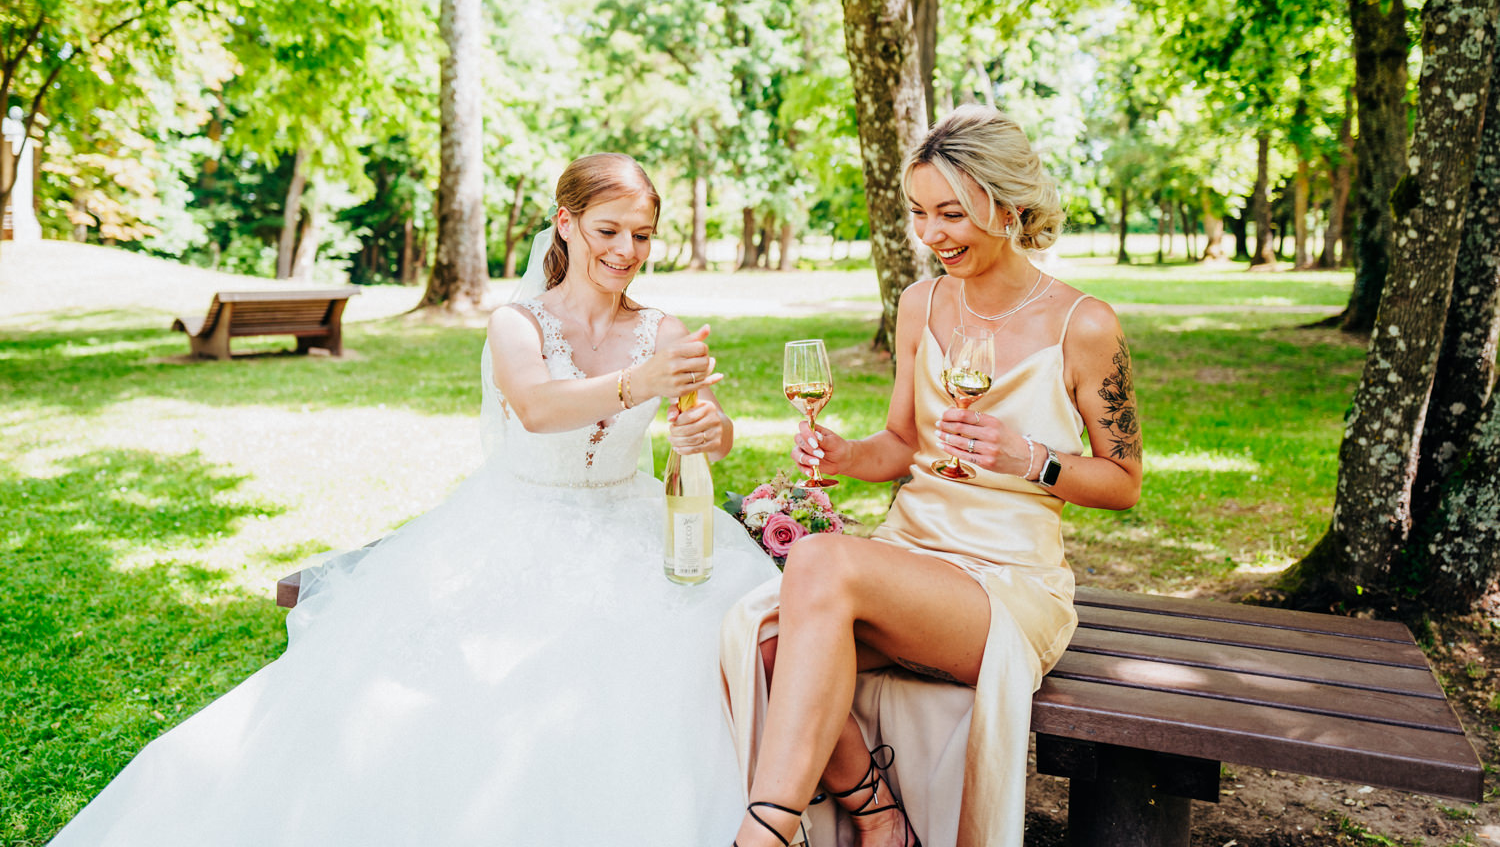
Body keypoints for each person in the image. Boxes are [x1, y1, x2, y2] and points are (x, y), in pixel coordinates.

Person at [50, 153, 780, 846]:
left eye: (642, 236)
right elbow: (536, 407)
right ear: (565, 223)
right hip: (520, 523)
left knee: (695, 643)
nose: (626, 251)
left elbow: (711, 431)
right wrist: (638, 383)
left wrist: (710, 431)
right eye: (608, 230)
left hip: (635, 522)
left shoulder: (662, 331)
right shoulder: (517, 324)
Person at [720, 105, 1144, 847]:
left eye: (951, 213)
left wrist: (1030, 459)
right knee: (763, 645)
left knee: (817, 561)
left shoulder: (1085, 325)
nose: (931, 234)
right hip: (909, 558)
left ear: (1009, 207)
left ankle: (765, 832)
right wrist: (845, 455)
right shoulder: (920, 304)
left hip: (1007, 584)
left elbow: (1124, 483)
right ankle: (882, 820)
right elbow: (899, 444)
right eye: (919, 213)